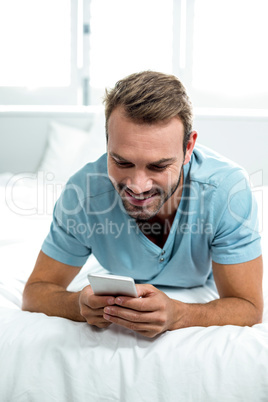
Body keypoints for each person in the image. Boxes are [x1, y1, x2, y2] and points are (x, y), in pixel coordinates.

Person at [22, 71, 263, 338]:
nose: (138, 186)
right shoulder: (82, 194)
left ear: (188, 148)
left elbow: (248, 306)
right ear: (107, 143)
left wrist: (179, 314)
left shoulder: (228, 191)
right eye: (122, 162)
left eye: (158, 166)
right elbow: (35, 292)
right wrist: (77, 305)